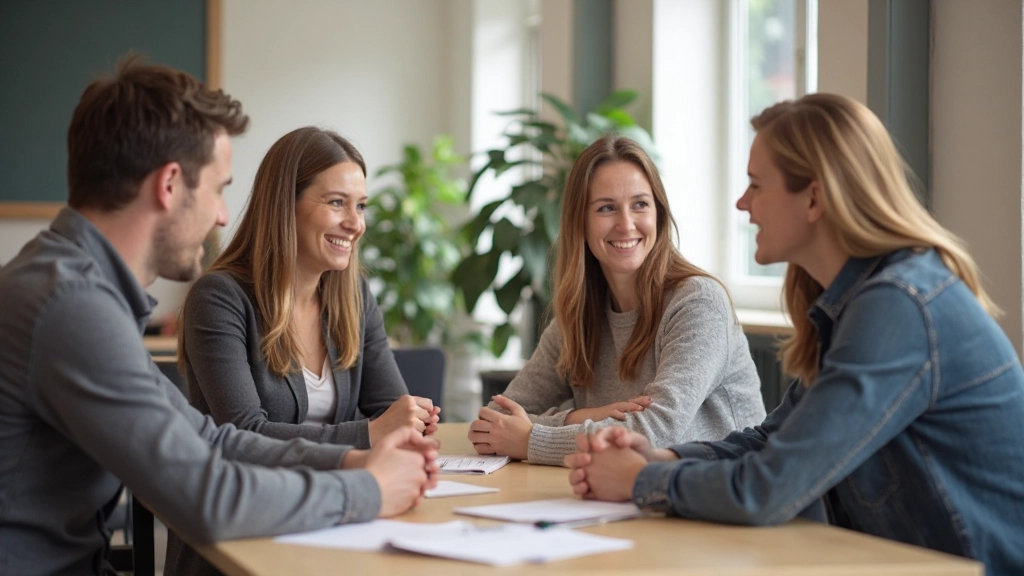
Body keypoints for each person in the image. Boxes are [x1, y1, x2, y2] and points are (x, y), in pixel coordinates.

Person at [0, 58, 438, 576]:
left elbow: (212, 440)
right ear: (169, 185)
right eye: (218, 189)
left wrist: (352, 460)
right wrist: (366, 488)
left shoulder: (73, 286)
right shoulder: (72, 307)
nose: (223, 215)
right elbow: (208, 500)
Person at [565, 94, 1024, 575]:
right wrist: (660, 455)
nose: (743, 203)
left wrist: (643, 480)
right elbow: (771, 440)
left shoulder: (897, 308)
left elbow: (769, 488)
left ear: (813, 198)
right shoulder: (855, 302)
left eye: (756, 185)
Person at [164, 127, 441, 575]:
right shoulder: (220, 298)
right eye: (336, 203)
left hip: (341, 522)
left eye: (361, 206)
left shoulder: (354, 298)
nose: (356, 223)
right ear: (284, 206)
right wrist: (369, 435)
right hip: (244, 535)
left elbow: (389, 410)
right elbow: (243, 434)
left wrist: (409, 424)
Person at [468, 135, 766, 466]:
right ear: (579, 222)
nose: (626, 224)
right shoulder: (578, 317)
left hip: (720, 498)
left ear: (659, 215)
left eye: (640, 204)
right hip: (631, 496)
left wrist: (532, 439)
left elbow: (653, 432)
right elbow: (493, 421)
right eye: (607, 208)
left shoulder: (698, 303)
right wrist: (582, 416)